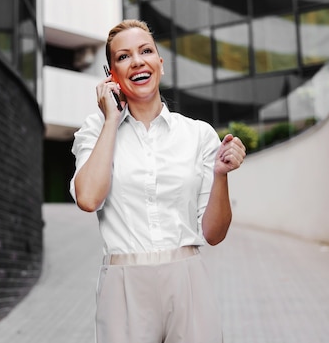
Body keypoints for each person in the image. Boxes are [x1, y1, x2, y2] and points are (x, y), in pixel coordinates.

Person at [69, 19, 246, 343]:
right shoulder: (95, 131)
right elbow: (88, 198)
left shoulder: (197, 134)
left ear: (159, 64)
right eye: (123, 57)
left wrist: (220, 176)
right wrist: (111, 119)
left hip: (187, 278)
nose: (137, 61)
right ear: (111, 75)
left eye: (145, 50)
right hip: (122, 285)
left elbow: (214, 234)